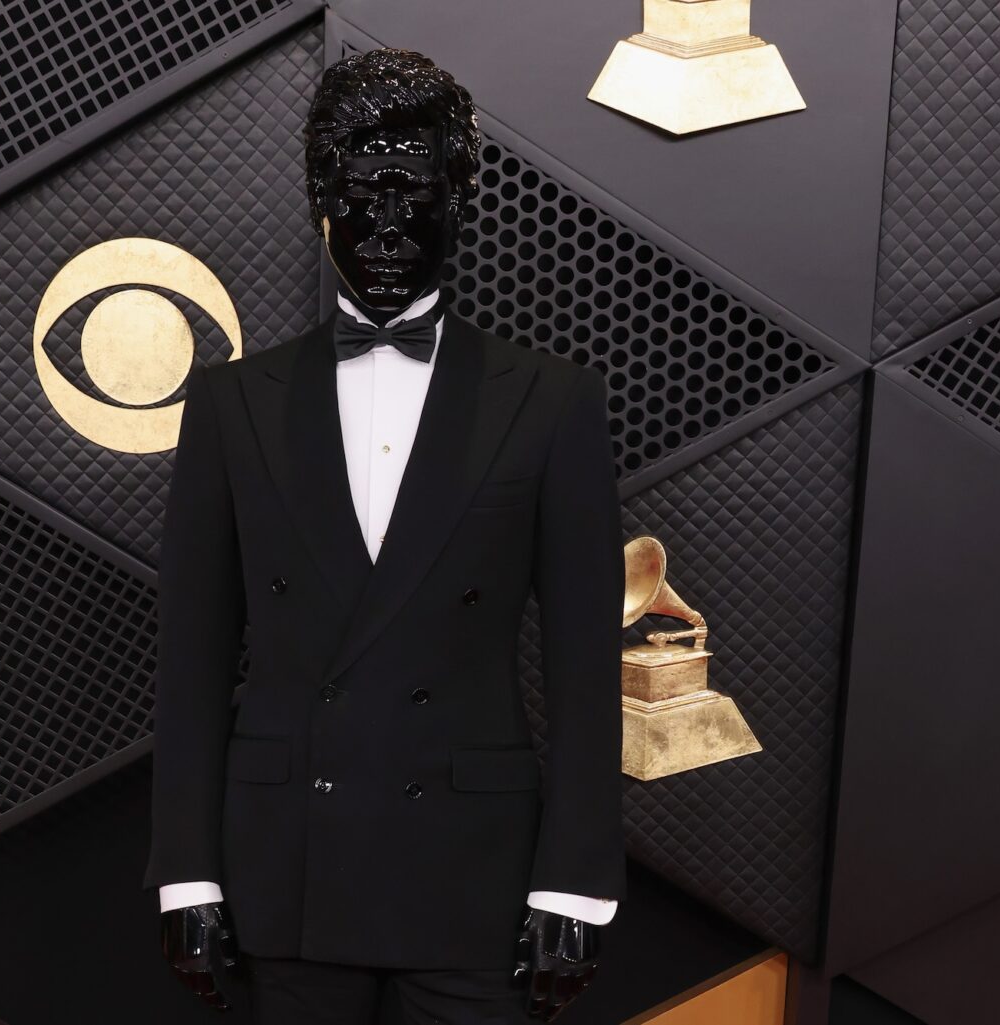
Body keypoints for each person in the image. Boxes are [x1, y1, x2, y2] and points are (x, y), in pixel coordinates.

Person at [144, 47, 625, 1024]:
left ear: (460, 201)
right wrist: (185, 871)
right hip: (284, 867)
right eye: (365, 194)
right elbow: (190, 658)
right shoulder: (234, 401)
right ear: (323, 203)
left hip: (474, 878)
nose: (391, 225)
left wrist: (574, 879)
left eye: (419, 193)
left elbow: (585, 665)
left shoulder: (550, 401)